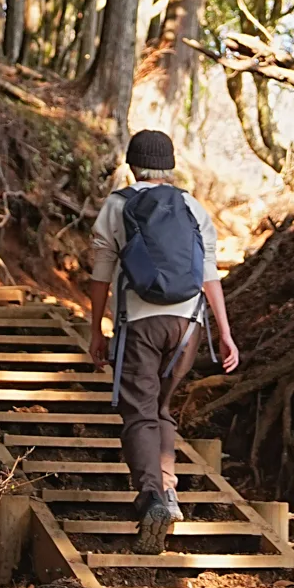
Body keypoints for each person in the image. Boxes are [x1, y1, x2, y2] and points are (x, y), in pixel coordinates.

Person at [87, 126, 241, 555]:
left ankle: (151, 496)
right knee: (162, 409)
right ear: (169, 167)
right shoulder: (192, 207)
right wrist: (225, 334)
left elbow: (101, 275)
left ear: (131, 165)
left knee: (139, 412)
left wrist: (95, 330)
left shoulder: (118, 206)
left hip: (141, 323)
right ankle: (169, 493)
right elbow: (209, 274)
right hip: (189, 326)